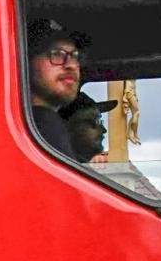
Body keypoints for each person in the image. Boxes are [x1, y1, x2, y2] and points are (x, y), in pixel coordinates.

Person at [25, 18, 84, 158]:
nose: (71, 65)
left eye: (75, 56)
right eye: (57, 54)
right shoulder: (42, 124)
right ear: (26, 63)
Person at [60, 90, 118, 164]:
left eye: (100, 121)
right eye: (96, 121)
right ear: (67, 127)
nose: (104, 130)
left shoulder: (74, 166)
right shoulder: (65, 168)